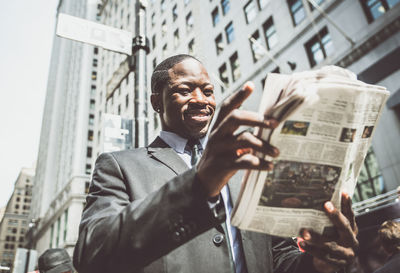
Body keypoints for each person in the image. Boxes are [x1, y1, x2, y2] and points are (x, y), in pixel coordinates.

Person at [73, 54, 358, 273]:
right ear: (156, 102)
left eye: (208, 91)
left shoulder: (245, 168)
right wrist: (198, 185)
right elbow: (92, 253)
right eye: (184, 90)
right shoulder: (119, 166)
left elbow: (279, 257)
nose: (200, 100)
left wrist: (316, 264)